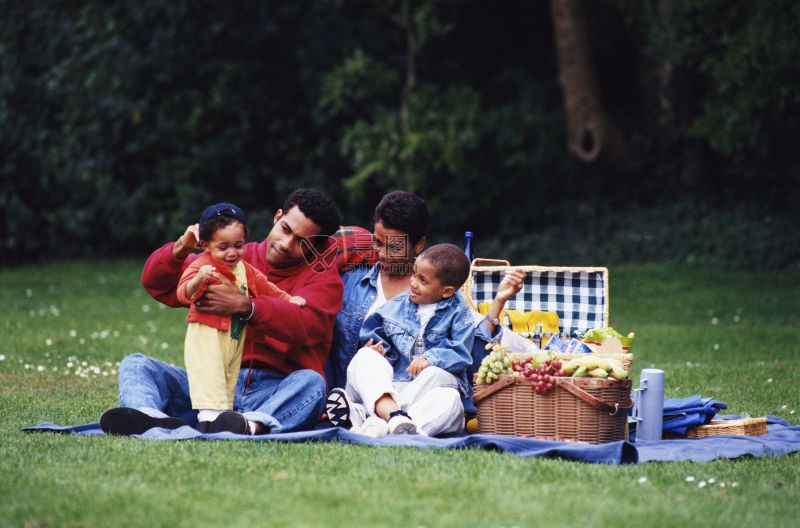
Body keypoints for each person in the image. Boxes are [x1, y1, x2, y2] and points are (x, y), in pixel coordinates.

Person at [99, 188, 343, 436]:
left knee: (312, 386)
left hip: (273, 392)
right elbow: (160, 285)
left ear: (317, 245)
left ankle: (249, 425)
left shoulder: (325, 279)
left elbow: (308, 325)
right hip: (209, 384)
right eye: (286, 229)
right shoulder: (231, 255)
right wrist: (181, 248)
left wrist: (244, 306)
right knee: (137, 365)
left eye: (302, 241)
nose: (285, 244)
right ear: (277, 217)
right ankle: (152, 419)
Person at [176, 202, 306, 432]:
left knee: (227, 377)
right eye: (223, 247)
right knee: (209, 375)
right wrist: (199, 280)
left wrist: (288, 299)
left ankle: (225, 419)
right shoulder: (201, 265)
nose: (232, 252)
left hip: (233, 337)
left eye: (238, 245)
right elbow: (183, 292)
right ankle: (208, 421)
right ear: (205, 245)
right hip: (206, 338)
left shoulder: (244, 268)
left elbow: (266, 287)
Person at [330, 243, 474, 437]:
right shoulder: (396, 307)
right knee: (364, 357)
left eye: (423, 280)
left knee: (448, 396)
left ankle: (371, 420)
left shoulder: (459, 313)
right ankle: (397, 421)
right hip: (391, 388)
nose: (413, 283)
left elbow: (461, 352)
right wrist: (378, 351)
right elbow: (375, 338)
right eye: (414, 274)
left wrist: (431, 359)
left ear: (446, 291)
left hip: (426, 393)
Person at [324, 190, 428, 392]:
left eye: (394, 248)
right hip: (347, 397)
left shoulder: (434, 294)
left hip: (409, 395)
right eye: (378, 243)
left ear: (419, 245)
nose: (383, 254)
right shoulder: (350, 282)